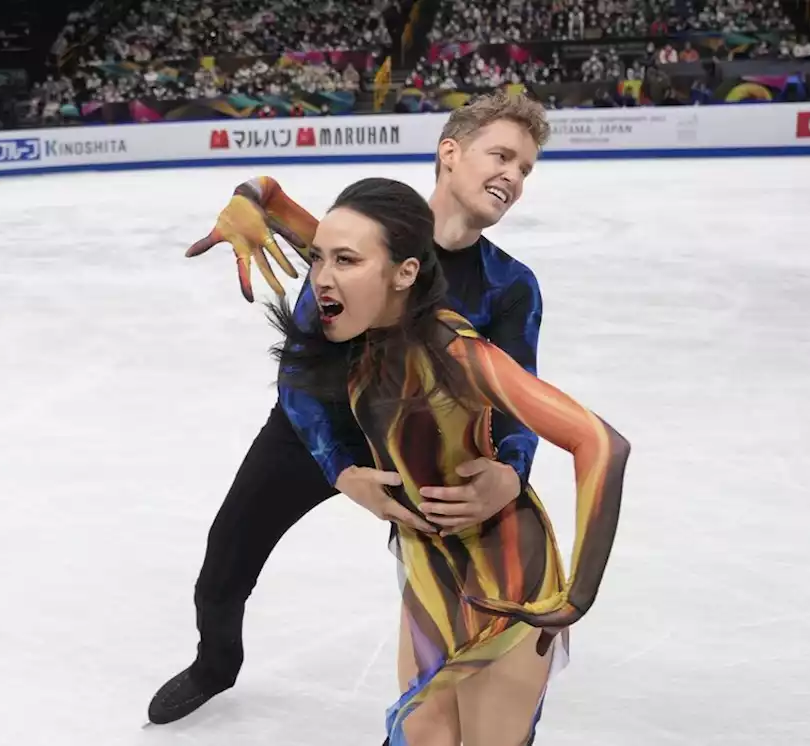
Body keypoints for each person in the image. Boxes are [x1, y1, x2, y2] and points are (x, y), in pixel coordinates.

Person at [149, 91, 551, 726]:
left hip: (420, 448)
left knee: (446, 616)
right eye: (501, 155)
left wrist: (512, 470)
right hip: (316, 427)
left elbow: (519, 398)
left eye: (525, 168)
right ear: (450, 153)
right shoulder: (363, 234)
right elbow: (301, 368)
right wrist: (340, 469)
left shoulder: (510, 284)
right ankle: (215, 663)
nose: (513, 176)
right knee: (224, 561)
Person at [266, 176, 629, 745]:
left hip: (502, 571)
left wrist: (577, 595)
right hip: (429, 560)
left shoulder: (456, 351)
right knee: (423, 734)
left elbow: (601, 442)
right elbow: (294, 218)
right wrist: (254, 195)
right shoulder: (368, 319)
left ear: (404, 273)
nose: (321, 279)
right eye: (318, 260)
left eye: (344, 261)